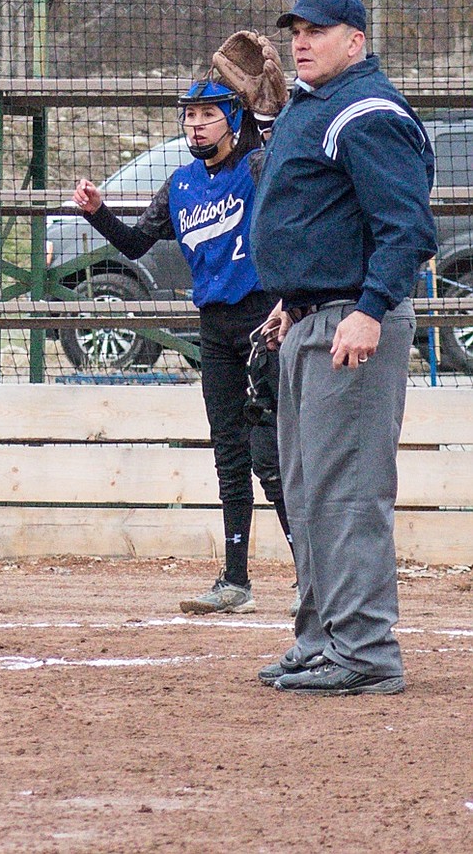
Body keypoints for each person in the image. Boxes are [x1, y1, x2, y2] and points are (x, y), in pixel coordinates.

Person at [250, 0, 437, 695]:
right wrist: (290, 304)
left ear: (355, 41)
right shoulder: (316, 106)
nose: (302, 42)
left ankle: (364, 652)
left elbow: (406, 227)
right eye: (297, 30)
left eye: (319, 31)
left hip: (353, 324)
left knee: (348, 493)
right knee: (309, 492)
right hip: (311, 318)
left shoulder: (366, 110)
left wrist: (370, 305)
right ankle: (320, 639)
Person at [73, 80, 296, 615]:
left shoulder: (257, 168)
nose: (195, 125)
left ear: (233, 120)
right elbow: (135, 243)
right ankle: (235, 580)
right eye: (189, 116)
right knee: (228, 453)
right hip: (214, 331)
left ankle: (311, 575)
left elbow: (284, 163)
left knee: (272, 456)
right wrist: (98, 212)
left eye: (208, 114)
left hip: (262, 321)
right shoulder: (182, 184)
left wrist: (270, 113)